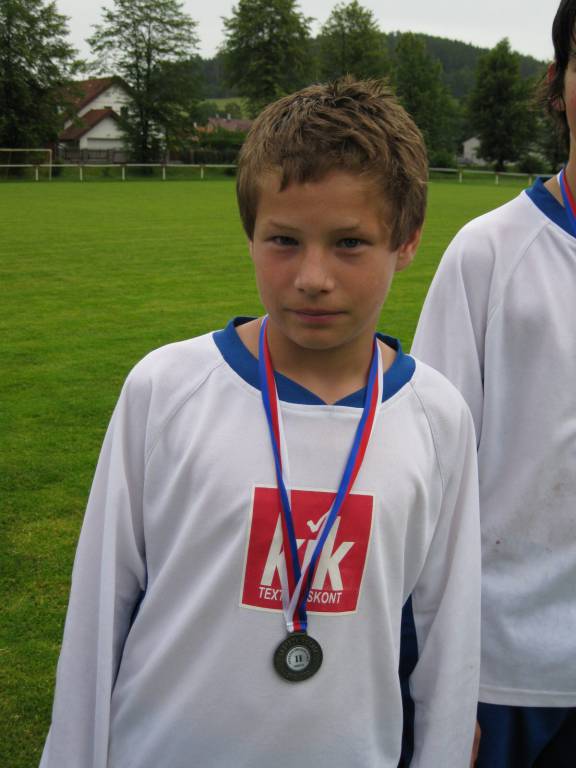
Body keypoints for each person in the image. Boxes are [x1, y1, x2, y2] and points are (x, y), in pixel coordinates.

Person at [40, 77, 480, 768]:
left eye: (349, 243)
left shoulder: (437, 417)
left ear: (407, 241)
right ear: (250, 233)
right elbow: (99, 611)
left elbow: (450, 640)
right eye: (283, 240)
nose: (312, 276)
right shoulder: (167, 389)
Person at [411, 3, 576, 765]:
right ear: (557, 84)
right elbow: (427, 479)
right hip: (506, 677)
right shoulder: (488, 254)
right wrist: (442, 677)